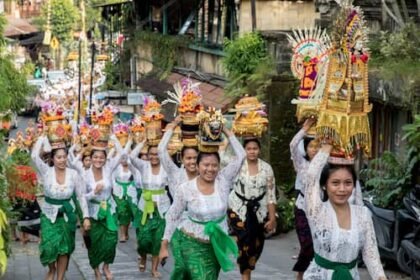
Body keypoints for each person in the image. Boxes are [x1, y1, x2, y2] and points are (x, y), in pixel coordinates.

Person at [159, 127, 246, 280]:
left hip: (216, 245)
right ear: (198, 166)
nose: (210, 169)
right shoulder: (185, 189)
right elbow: (173, 216)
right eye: (206, 165)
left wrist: (225, 130)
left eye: (214, 165)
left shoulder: (223, 180)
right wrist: (164, 245)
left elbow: (241, 156)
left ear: (219, 167)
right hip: (191, 243)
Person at [303, 143, 387, 279]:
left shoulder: (363, 215)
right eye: (335, 183)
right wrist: (327, 147)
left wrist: (381, 277)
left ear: (354, 185)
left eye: (348, 183)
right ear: (324, 185)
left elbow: (370, 254)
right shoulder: (317, 212)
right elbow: (311, 177)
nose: (342, 189)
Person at [31, 136, 90, 280]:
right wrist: (43, 136)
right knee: (49, 247)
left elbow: (81, 196)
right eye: (58, 157)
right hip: (49, 217)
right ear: (52, 159)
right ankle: (51, 270)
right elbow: (33, 155)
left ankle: (60, 277)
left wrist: (86, 217)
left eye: (64, 157)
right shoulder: (46, 171)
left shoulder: (74, 174)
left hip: (67, 217)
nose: (62, 160)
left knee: (64, 249)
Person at [70, 135, 125, 280]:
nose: (98, 160)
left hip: (109, 211)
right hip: (93, 212)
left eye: (101, 157)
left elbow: (122, 154)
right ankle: (96, 269)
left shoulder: (108, 169)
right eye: (95, 157)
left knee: (111, 240)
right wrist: (94, 194)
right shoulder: (85, 174)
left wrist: (113, 136)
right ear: (91, 158)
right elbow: (82, 197)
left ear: (105, 158)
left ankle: (106, 266)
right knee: (94, 243)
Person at [228, 138, 276, 280]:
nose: (252, 151)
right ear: (244, 150)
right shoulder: (237, 166)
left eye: (255, 148)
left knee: (255, 245)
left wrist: (272, 218)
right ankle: (245, 274)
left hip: (258, 212)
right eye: (248, 149)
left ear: (259, 150)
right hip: (237, 210)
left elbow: (271, 194)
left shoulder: (267, 168)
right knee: (244, 242)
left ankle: (246, 270)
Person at [130, 142, 169, 278]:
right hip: (144, 208)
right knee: (143, 239)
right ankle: (143, 256)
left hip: (161, 210)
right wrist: (142, 141)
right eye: (151, 154)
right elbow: (132, 156)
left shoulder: (166, 167)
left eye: (157, 154)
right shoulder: (144, 166)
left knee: (157, 240)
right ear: (147, 155)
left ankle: (154, 269)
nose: (154, 157)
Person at [290, 118, 319, 279]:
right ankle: (300, 275)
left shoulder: (326, 166)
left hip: (321, 211)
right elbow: (293, 145)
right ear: (306, 148)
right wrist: (305, 129)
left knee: (318, 248)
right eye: (311, 146)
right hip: (302, 208)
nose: (314, 150)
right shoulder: (301, 163)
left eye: (318, 146)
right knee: (307, 245)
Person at [157, 117, 199, 194]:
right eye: (188, 158)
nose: (192, 161)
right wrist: (173, 125)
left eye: (195, 158)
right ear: (182, 159)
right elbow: (161, 150)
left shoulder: (204, 176)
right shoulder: (175, 173)